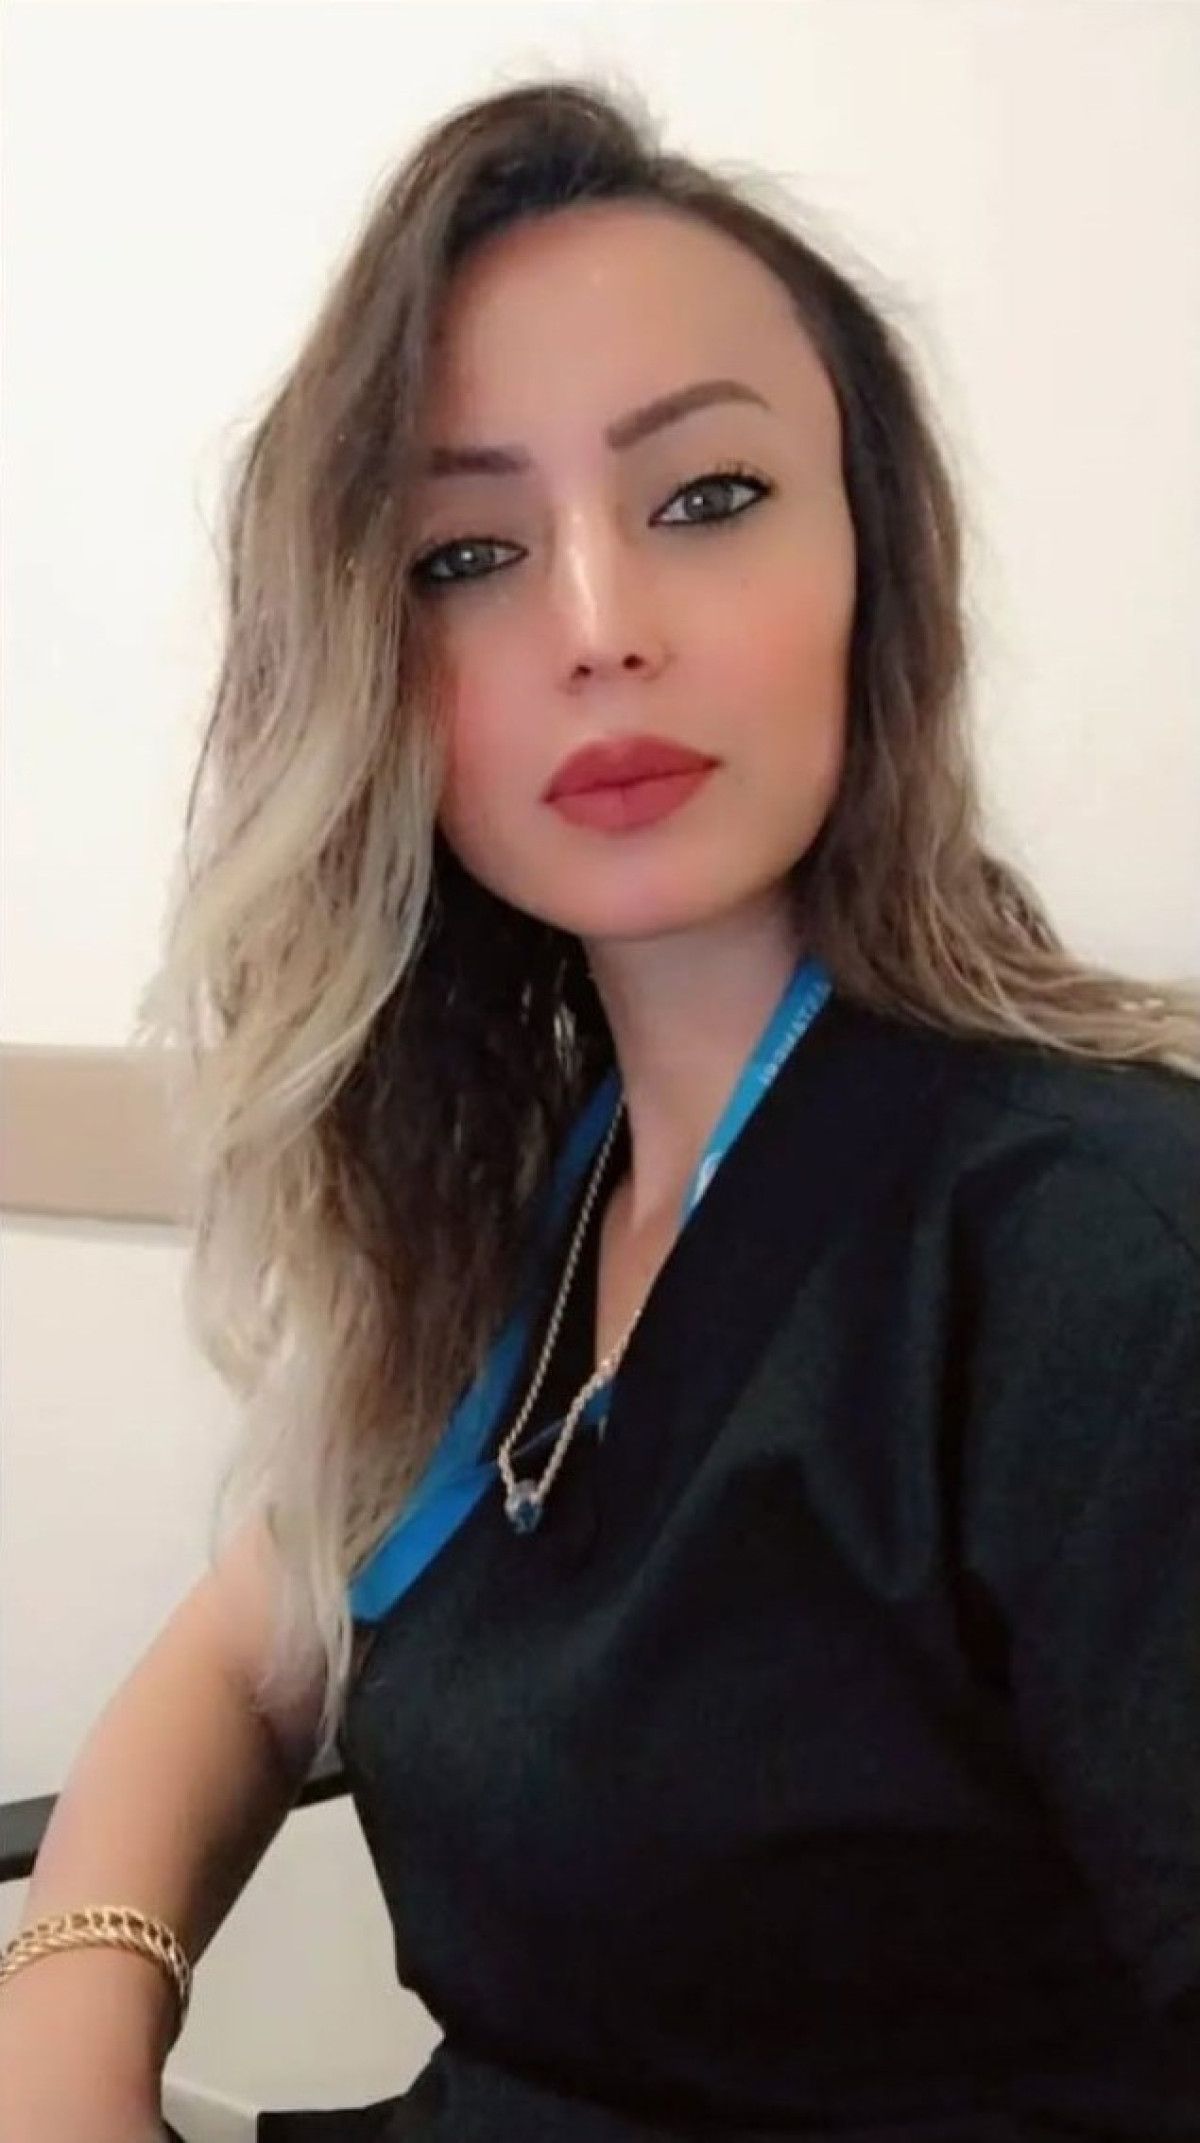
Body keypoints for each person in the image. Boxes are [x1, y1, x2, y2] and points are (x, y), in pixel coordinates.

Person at [1, 72, 1197, 2143]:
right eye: (466, 552)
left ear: (878, 566)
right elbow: (248, 1653)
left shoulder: (1095, 1260)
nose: (599, 628)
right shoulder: (532, 1198)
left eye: (706, 499)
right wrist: (74, 2022)